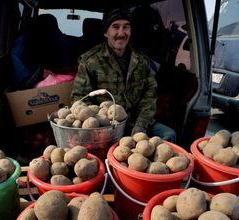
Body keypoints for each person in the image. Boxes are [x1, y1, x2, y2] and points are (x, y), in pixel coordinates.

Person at [70, 8, 177, 142]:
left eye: (126, 27)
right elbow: (79, 99)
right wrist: (100, 125)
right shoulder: (90, 61)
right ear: (105, 32)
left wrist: (140, 126)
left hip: (136, 122)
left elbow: (149, 97)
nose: (121, 33)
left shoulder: (141, 61)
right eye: (115, 27)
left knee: (169, 135)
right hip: (107, 125)